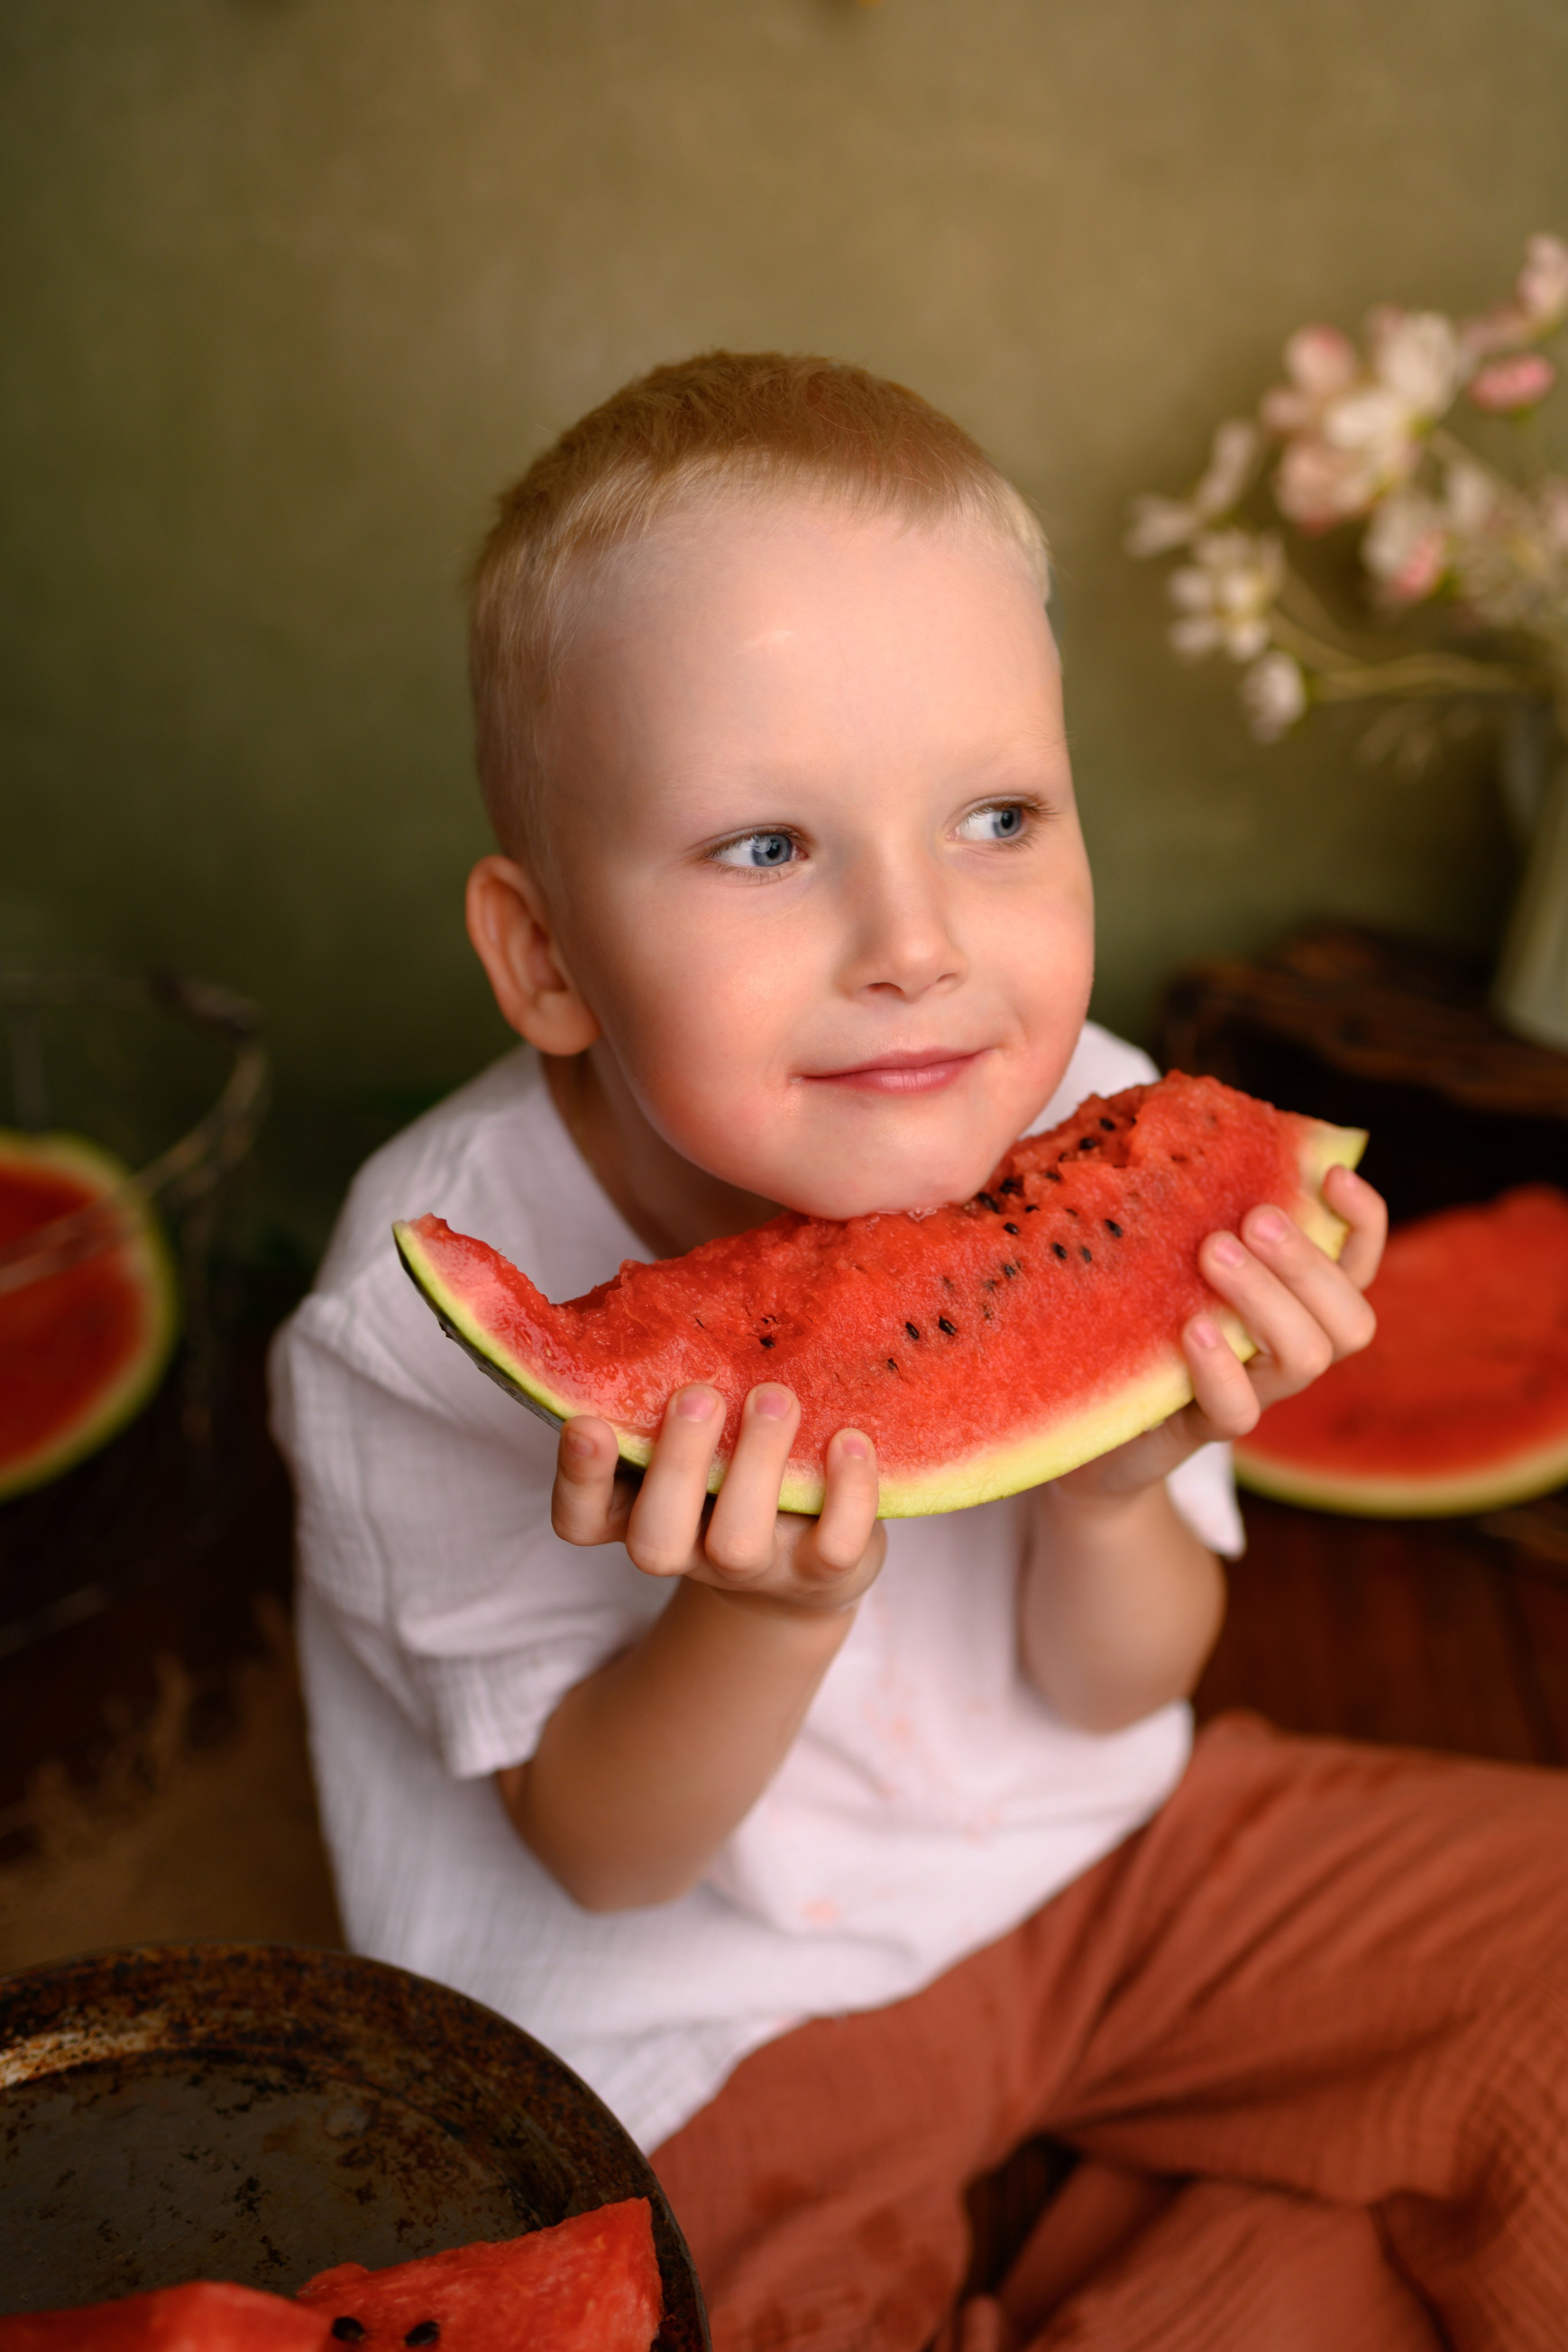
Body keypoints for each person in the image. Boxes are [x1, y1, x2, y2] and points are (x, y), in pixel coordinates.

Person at [270, 353, 1568, 2352]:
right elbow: (609, 1862)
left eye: (996, 816)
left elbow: (1120, 1680)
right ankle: (1232, 2246)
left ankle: (1193, 2235)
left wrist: (1121, 1479)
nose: (918, 940)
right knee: (683, 2307)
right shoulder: (413, 1325)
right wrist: (763, 1618)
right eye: (770, 848)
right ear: (542, 955)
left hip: (1113, 1871)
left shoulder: (1106, 1122)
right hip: (714, 2028)